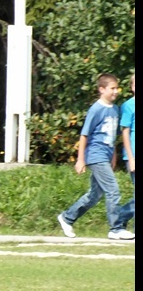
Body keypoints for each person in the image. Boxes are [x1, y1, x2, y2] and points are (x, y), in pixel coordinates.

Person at [57, 73, 134, 240]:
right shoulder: (96, 109)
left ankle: (67, 217)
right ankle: (116, 228)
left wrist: (113, 156)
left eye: (117, 88)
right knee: (113, 190)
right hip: (95, 155)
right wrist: (80, 159)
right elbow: (84, 135)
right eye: (112, 88)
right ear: (101, 89)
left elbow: (112, 136)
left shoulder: (114, 109)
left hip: (105, 156)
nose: (116, 92)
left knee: (95, 195)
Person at [118, 72, 135, 231]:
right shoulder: (129, 106)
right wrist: (131, 158)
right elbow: (125, 132)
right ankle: (120, 216)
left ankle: (120, 216)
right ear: (132, 87)